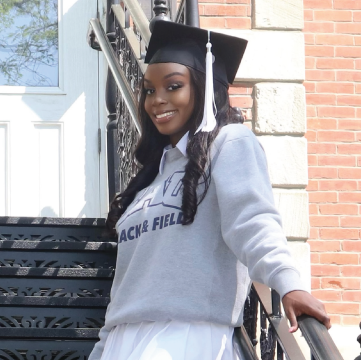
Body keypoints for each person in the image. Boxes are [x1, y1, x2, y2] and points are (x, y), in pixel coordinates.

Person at [89, 21, 330, 360]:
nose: (157, 100)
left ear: (203, 89)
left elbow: (253, 221)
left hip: (186, 338)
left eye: (173, 86)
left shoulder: (230, 143)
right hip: (123, 342)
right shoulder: (149, 179)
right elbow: (128, 284)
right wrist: (103, 347)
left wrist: (288, 283)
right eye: (148, 90)